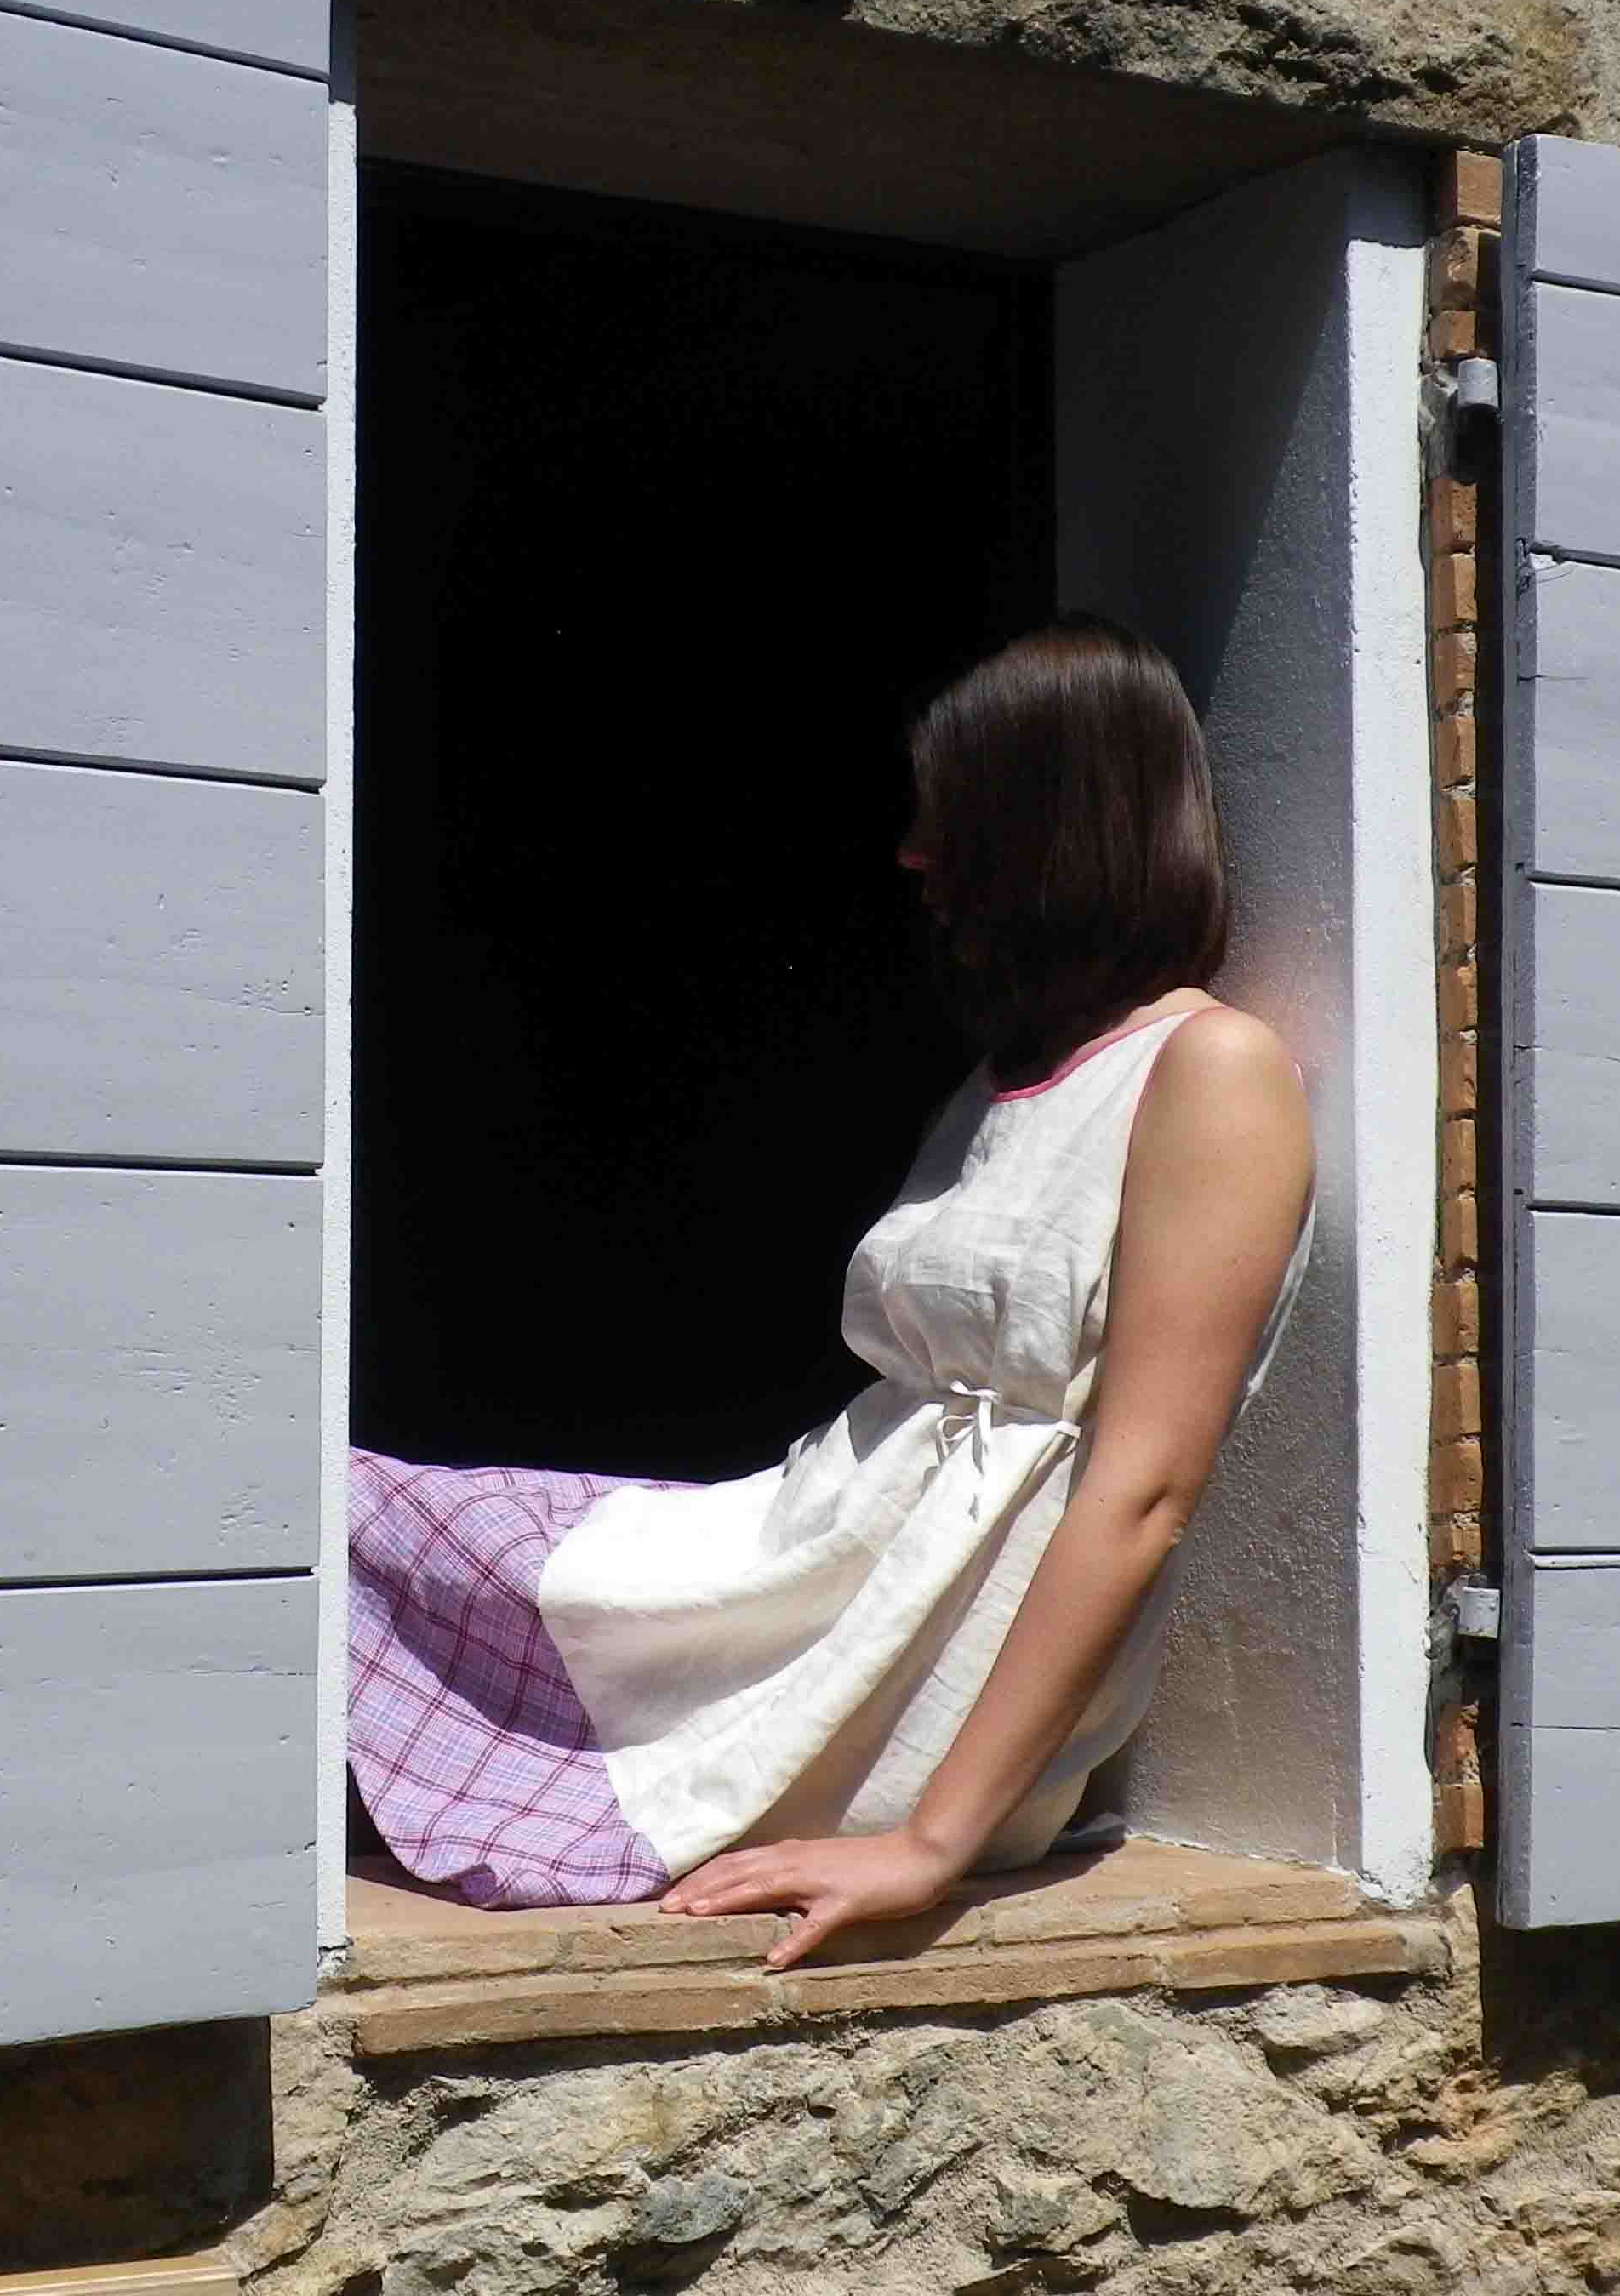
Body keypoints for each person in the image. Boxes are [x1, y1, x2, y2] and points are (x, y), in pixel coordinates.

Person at [344, 614, 1318, 1969]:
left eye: (949, 815)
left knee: (373, 1533)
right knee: (349, 1517)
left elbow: (1143, 1492)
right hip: (821, 1568)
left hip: (914, 1669)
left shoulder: (1214, 1072)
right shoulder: (1007, 1083)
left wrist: (933, 1842)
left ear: (1055, 822)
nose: (914, 854)